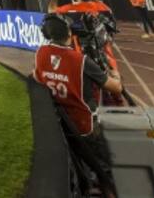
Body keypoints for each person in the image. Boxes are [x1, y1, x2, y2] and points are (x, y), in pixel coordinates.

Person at [34, 14, 121, 198]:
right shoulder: (81, 61)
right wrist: (115, 73)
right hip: (85, 128)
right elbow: (116, 88)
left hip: (60, 127)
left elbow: (35, 77)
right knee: (105, 171)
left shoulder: (41, 53)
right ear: (68, 33)